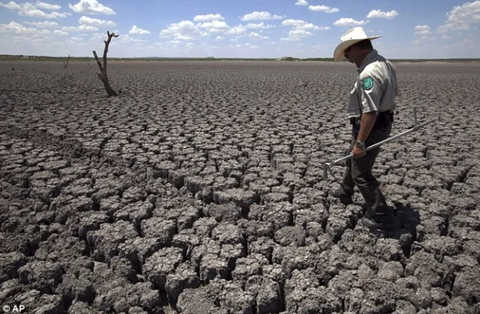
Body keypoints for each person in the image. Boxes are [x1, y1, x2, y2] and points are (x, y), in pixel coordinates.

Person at [331, 26, 399, 229]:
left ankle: (381, 216)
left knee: (361, 172)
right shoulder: (384, 63)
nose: (348, 57)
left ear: (358, 49)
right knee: (352, 157)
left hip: (371, 127)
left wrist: (360, 142)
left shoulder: (369, 73)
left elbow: (370, 111)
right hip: (378, 124)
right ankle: (345, 192)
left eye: (348, 52)